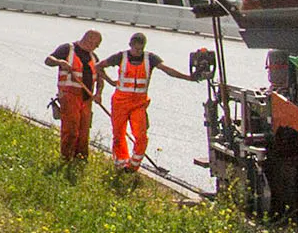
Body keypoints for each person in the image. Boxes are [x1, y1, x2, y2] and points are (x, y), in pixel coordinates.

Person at [108, 29, 206, 166]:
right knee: (118, 135)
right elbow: (99, 67)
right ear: (130, 45)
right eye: (136, 48)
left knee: (141, 135)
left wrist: (188, 78)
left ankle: (133, 165)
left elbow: (167, 70)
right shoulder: (120, 57)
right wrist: (110, 81)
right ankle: (120, 162)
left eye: (140, 48)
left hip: (138, 103)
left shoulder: (150, 58)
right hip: (120, 102)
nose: (138, 51)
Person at [51, 33, 101, 166]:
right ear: (87, 39)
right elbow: (48, 60)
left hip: (86, 98)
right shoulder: (67, 49)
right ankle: (66, 158)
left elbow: (100, 77)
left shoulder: (94, 57)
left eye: (96, 46)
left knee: (84, 130)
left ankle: (81, 158)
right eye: (94, 44)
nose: (94, 47)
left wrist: (98, 93)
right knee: (71, 128)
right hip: (69, 94)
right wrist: (59, 62)